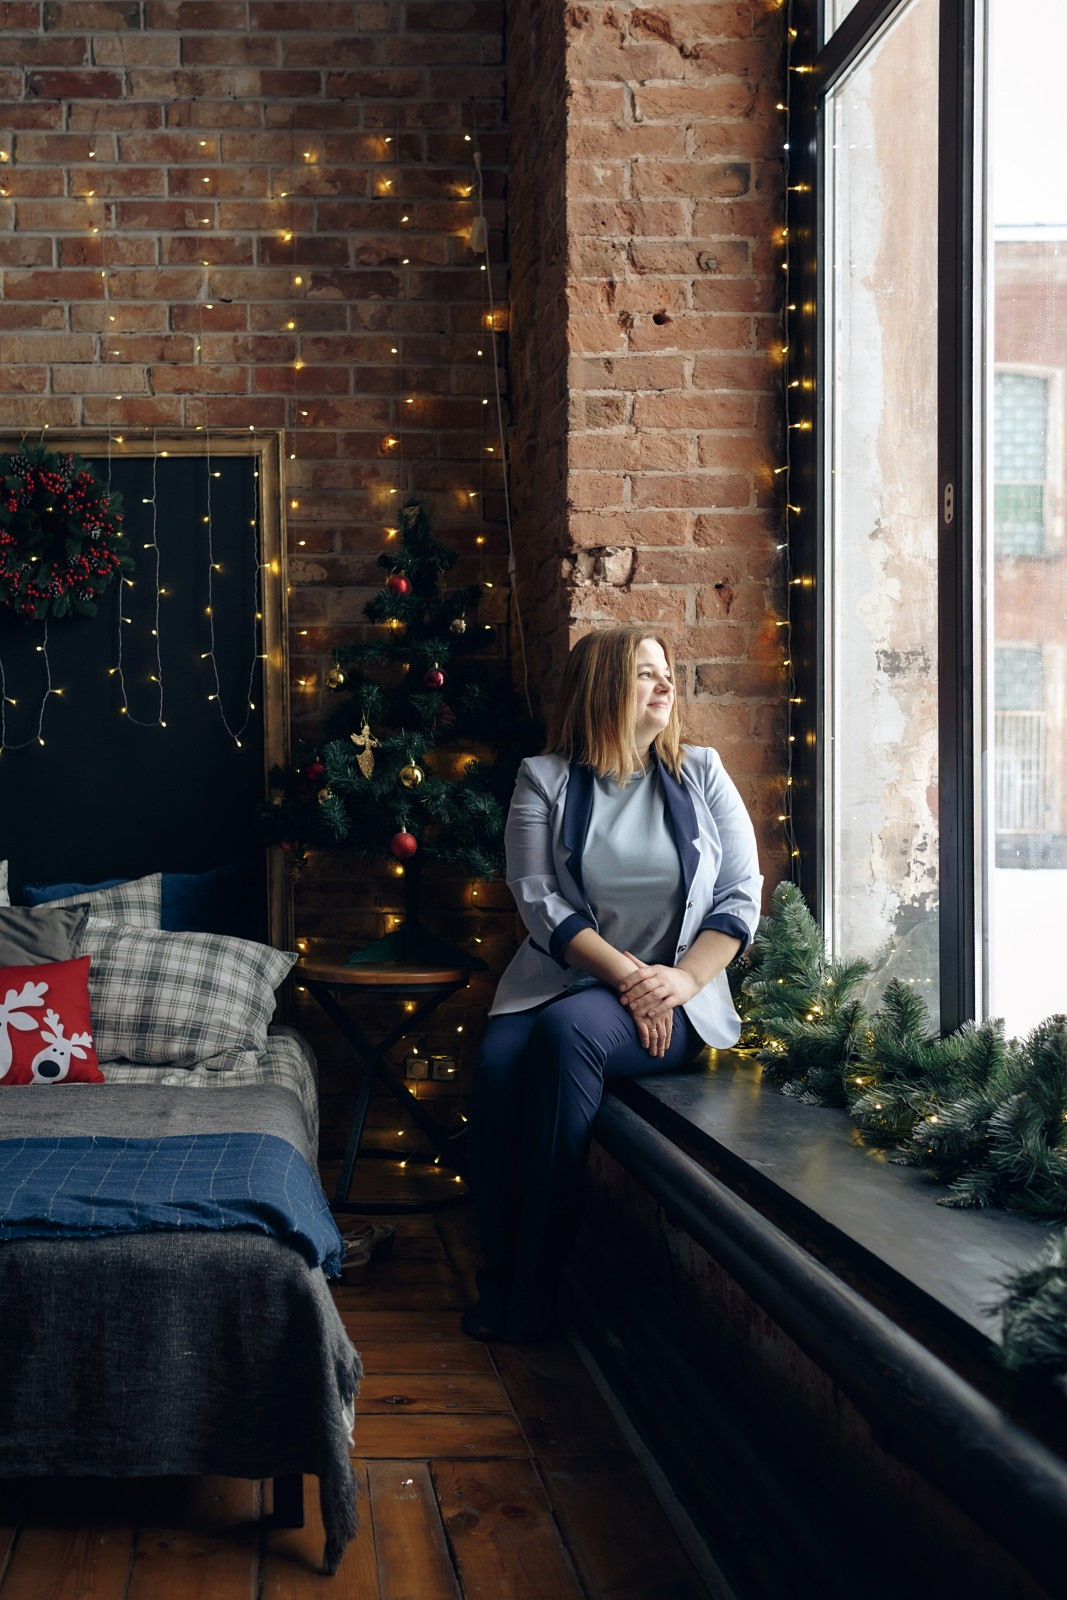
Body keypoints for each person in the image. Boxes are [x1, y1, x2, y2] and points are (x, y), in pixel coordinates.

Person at [464, 624, 763, 1343]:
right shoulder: (544, 779)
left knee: (569, 1037)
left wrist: (679, 982)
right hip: (562, 980)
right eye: (644, 674)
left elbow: (739, 896)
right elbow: (539, 901)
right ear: (603, 689)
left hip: (678, 997)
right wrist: (633, 979)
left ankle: (537, 1286)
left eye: (667, 673)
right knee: (497, 1064)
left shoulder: (703, 771)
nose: (665, 686)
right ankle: (498, 1274)